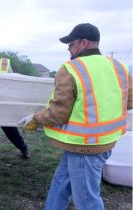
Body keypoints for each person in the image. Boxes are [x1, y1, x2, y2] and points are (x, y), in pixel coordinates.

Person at [18, 23, 132, 210]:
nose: (69, 49)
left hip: (85, 147)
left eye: (70, 44)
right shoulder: (119, 67)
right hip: (107, 141)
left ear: (83, 43)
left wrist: (36, 118)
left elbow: (58, 114)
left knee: (87, 201)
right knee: (61, 183)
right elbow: (128, 102)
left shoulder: (72, 68)